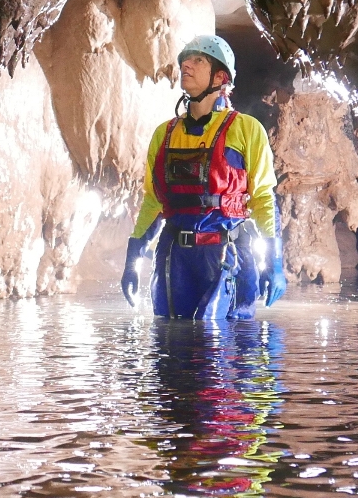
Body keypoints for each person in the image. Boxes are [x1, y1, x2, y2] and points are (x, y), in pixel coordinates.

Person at [120, 35, 288, 318]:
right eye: (185, 59)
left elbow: (262, 198)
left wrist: (274, 263)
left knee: (221, 350)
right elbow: (154, 201)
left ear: (220, 77)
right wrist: (132, 259)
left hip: (226, 254)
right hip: (175, 258)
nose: (187, 64)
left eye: (198, 60)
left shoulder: (246, 129)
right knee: (172, 345)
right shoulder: (165, 134)